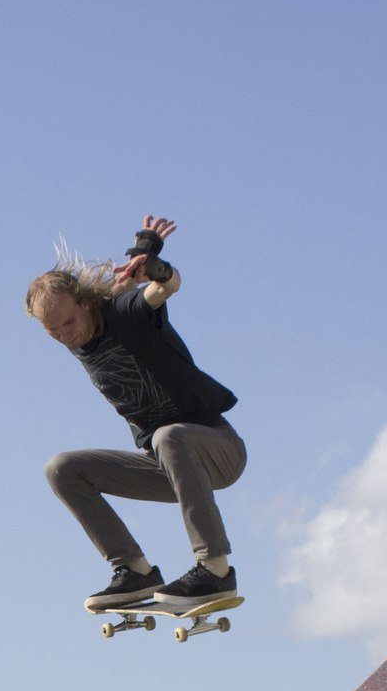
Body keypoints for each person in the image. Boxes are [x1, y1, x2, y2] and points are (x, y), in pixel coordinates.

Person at [29, 215, 245, 612]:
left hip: (217, 448)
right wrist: (143, 249)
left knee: (168, 435)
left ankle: (214, 569)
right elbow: (116, 286)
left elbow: (165, 287)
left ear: (84, 303)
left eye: (68, 323)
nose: (65, 336)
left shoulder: (126, 312)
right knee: (61, 468)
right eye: (53, 332)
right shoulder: (81, 329)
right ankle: (134, 570)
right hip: (166, 468)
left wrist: (156, 268)